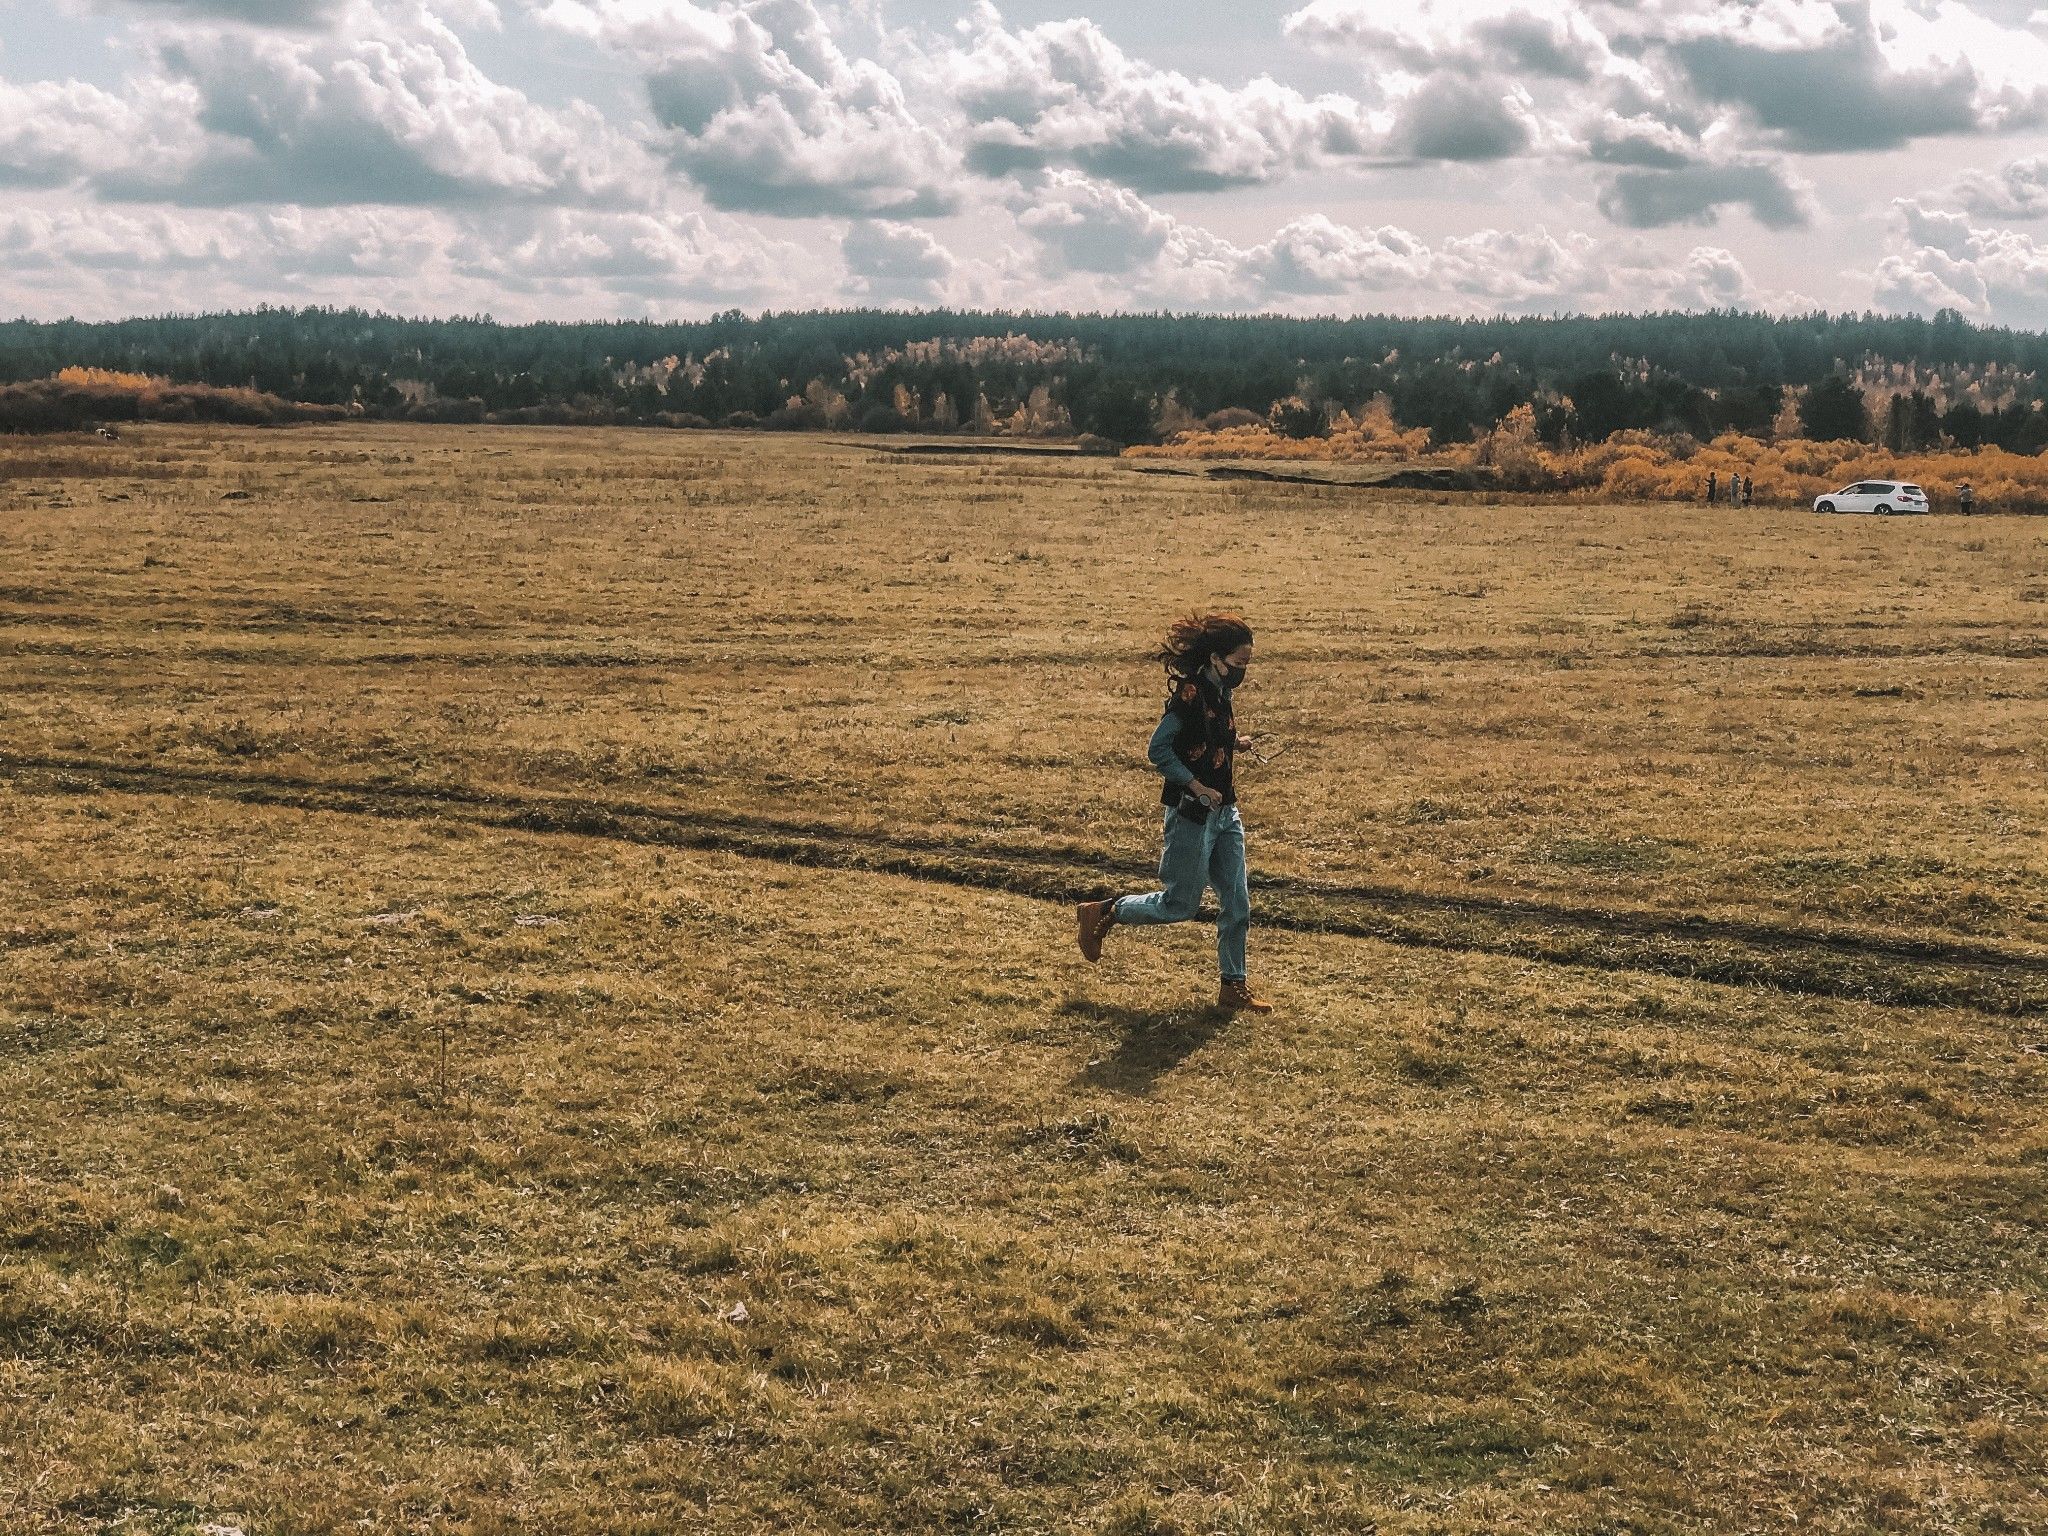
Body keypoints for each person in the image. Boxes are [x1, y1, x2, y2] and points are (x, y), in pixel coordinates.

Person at [1076, 612, 1272, 1014]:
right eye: (1238, 664)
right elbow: (1159, 749)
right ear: (1216, 658)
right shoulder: (1188, 695)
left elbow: (1209, 734)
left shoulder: (1221, 692)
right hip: (1192, 815)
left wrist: (1236, 743)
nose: (1242, 672)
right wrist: (1195, 785)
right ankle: (1108, 909)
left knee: (1237, 904)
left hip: (1225, 813)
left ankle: (1233, 986)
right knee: (1180, 905)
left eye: (1246, 665)